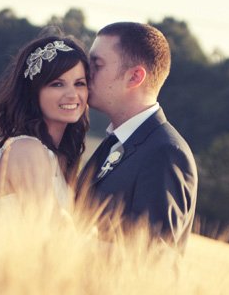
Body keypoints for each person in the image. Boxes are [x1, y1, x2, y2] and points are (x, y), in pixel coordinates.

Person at [76, 22, 198, 253]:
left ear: (134, 77)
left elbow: (154, 259)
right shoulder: (115, 141)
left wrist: (69, 242)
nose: (85, 72)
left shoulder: (165, 152)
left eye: (97, 65)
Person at [0, 33, 90, 221]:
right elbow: (57, 233)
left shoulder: (58, 158)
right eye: (57, 84)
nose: (73, 95)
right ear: (33, 92)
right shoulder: (25, 149)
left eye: (79, 83)